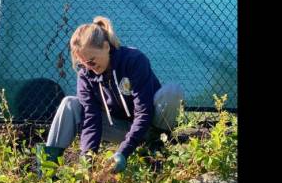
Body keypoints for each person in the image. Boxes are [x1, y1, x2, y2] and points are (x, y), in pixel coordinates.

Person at [36, 16, 184, 174]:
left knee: (172, 91)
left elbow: (143, 112)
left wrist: (124, 151)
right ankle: (46, 170)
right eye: (82, 63)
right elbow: (91, 119)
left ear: (106, 47)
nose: (89, 68)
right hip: (119, 129)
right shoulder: (86, 75)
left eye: (91, 61)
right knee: (69, 103)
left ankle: (156, 148)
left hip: (148, 127)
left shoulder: (134, 60)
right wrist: (88, 160)